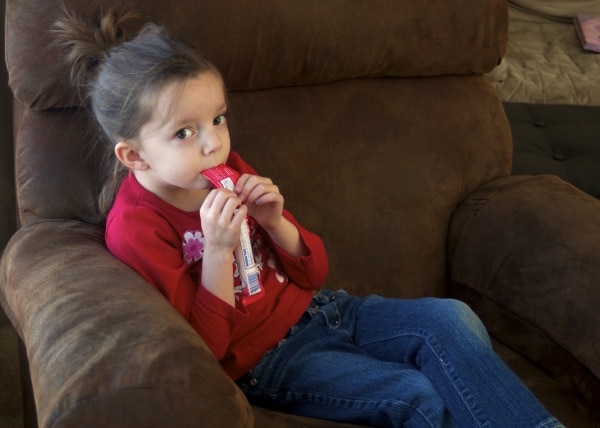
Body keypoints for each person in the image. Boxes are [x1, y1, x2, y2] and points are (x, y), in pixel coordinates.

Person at [53, 9, 564, 428]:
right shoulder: (138, 228)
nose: (213, 142)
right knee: (414, 396)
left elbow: (311, 274)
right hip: (267, 362)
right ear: (134, 157)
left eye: (217, 119)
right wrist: (217, 250)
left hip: (324, 310)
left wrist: (276, 223)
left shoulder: (224, 167)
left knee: (451, 319)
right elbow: (206, 349)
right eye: (184, 133)